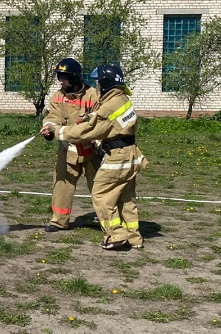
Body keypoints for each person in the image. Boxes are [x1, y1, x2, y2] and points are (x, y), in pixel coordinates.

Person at [49, 64, 147, 251]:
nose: (97, 85)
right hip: (130, 154)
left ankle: (115, 235)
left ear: (106, 83)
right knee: (126, 198)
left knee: (101, 194)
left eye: (99, 81)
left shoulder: (108, 105)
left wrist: (59, 132)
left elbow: (89, 130)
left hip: (116, 157)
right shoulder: (122, 99)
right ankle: (135, 238)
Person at [39, 58, 100, 232]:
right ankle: (58, 221)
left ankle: (108, 221)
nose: (60, 80)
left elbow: (99, 120)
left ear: (74, 77)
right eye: (59, 76)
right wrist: (49, 128)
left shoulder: (92, 95)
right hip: (68, 151)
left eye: (63, 76)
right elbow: (53, 117)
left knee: (99, 187)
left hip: (91, 151)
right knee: (62, 185)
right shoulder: (58, 97)